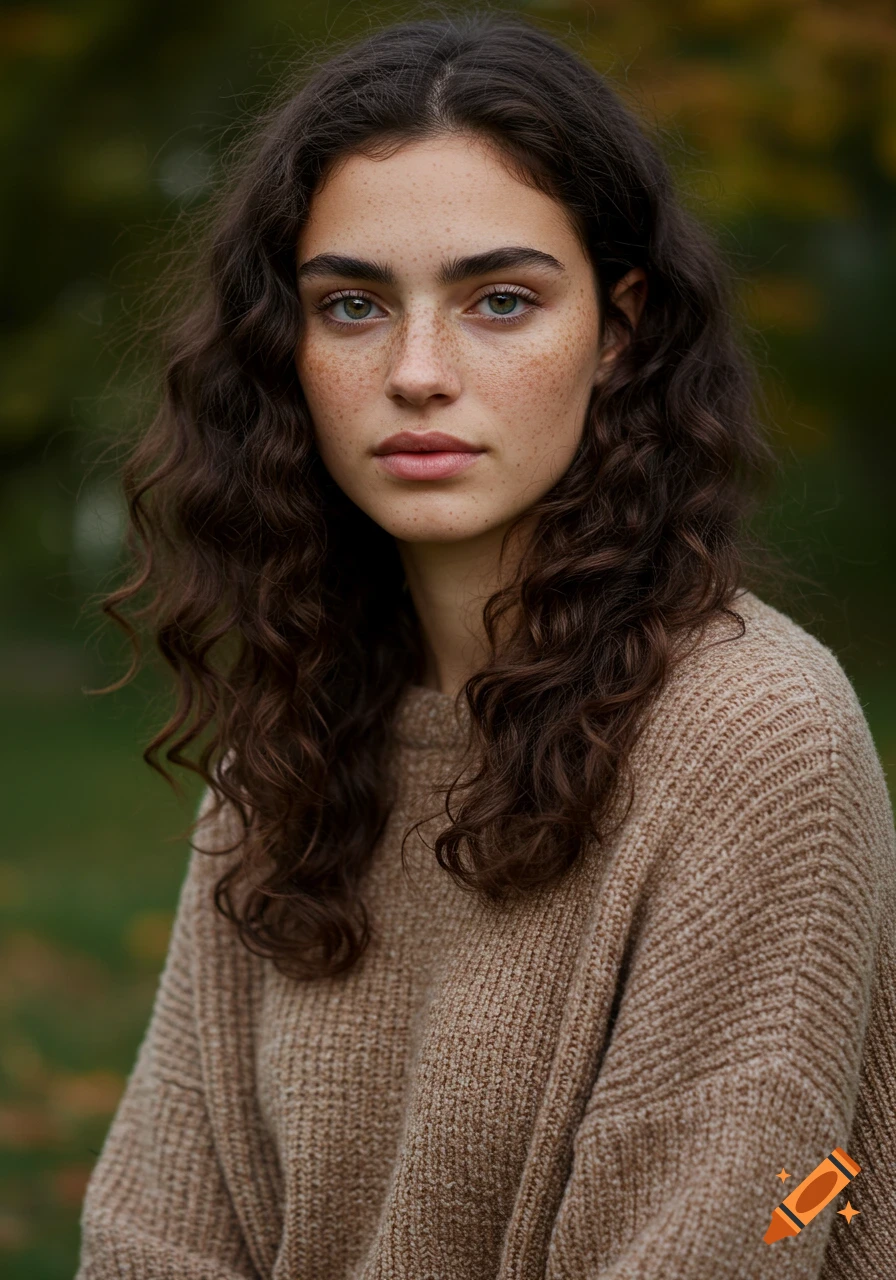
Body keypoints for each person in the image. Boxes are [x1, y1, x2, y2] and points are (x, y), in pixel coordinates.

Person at [76, 11, 896, 1279]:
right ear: (284, 349)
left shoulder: (751, 735)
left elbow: (734, 1233)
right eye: (350, 305)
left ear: (618, 329)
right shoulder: (287, 745)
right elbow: (153, 1230)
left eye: (498, 300)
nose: (415, 370)